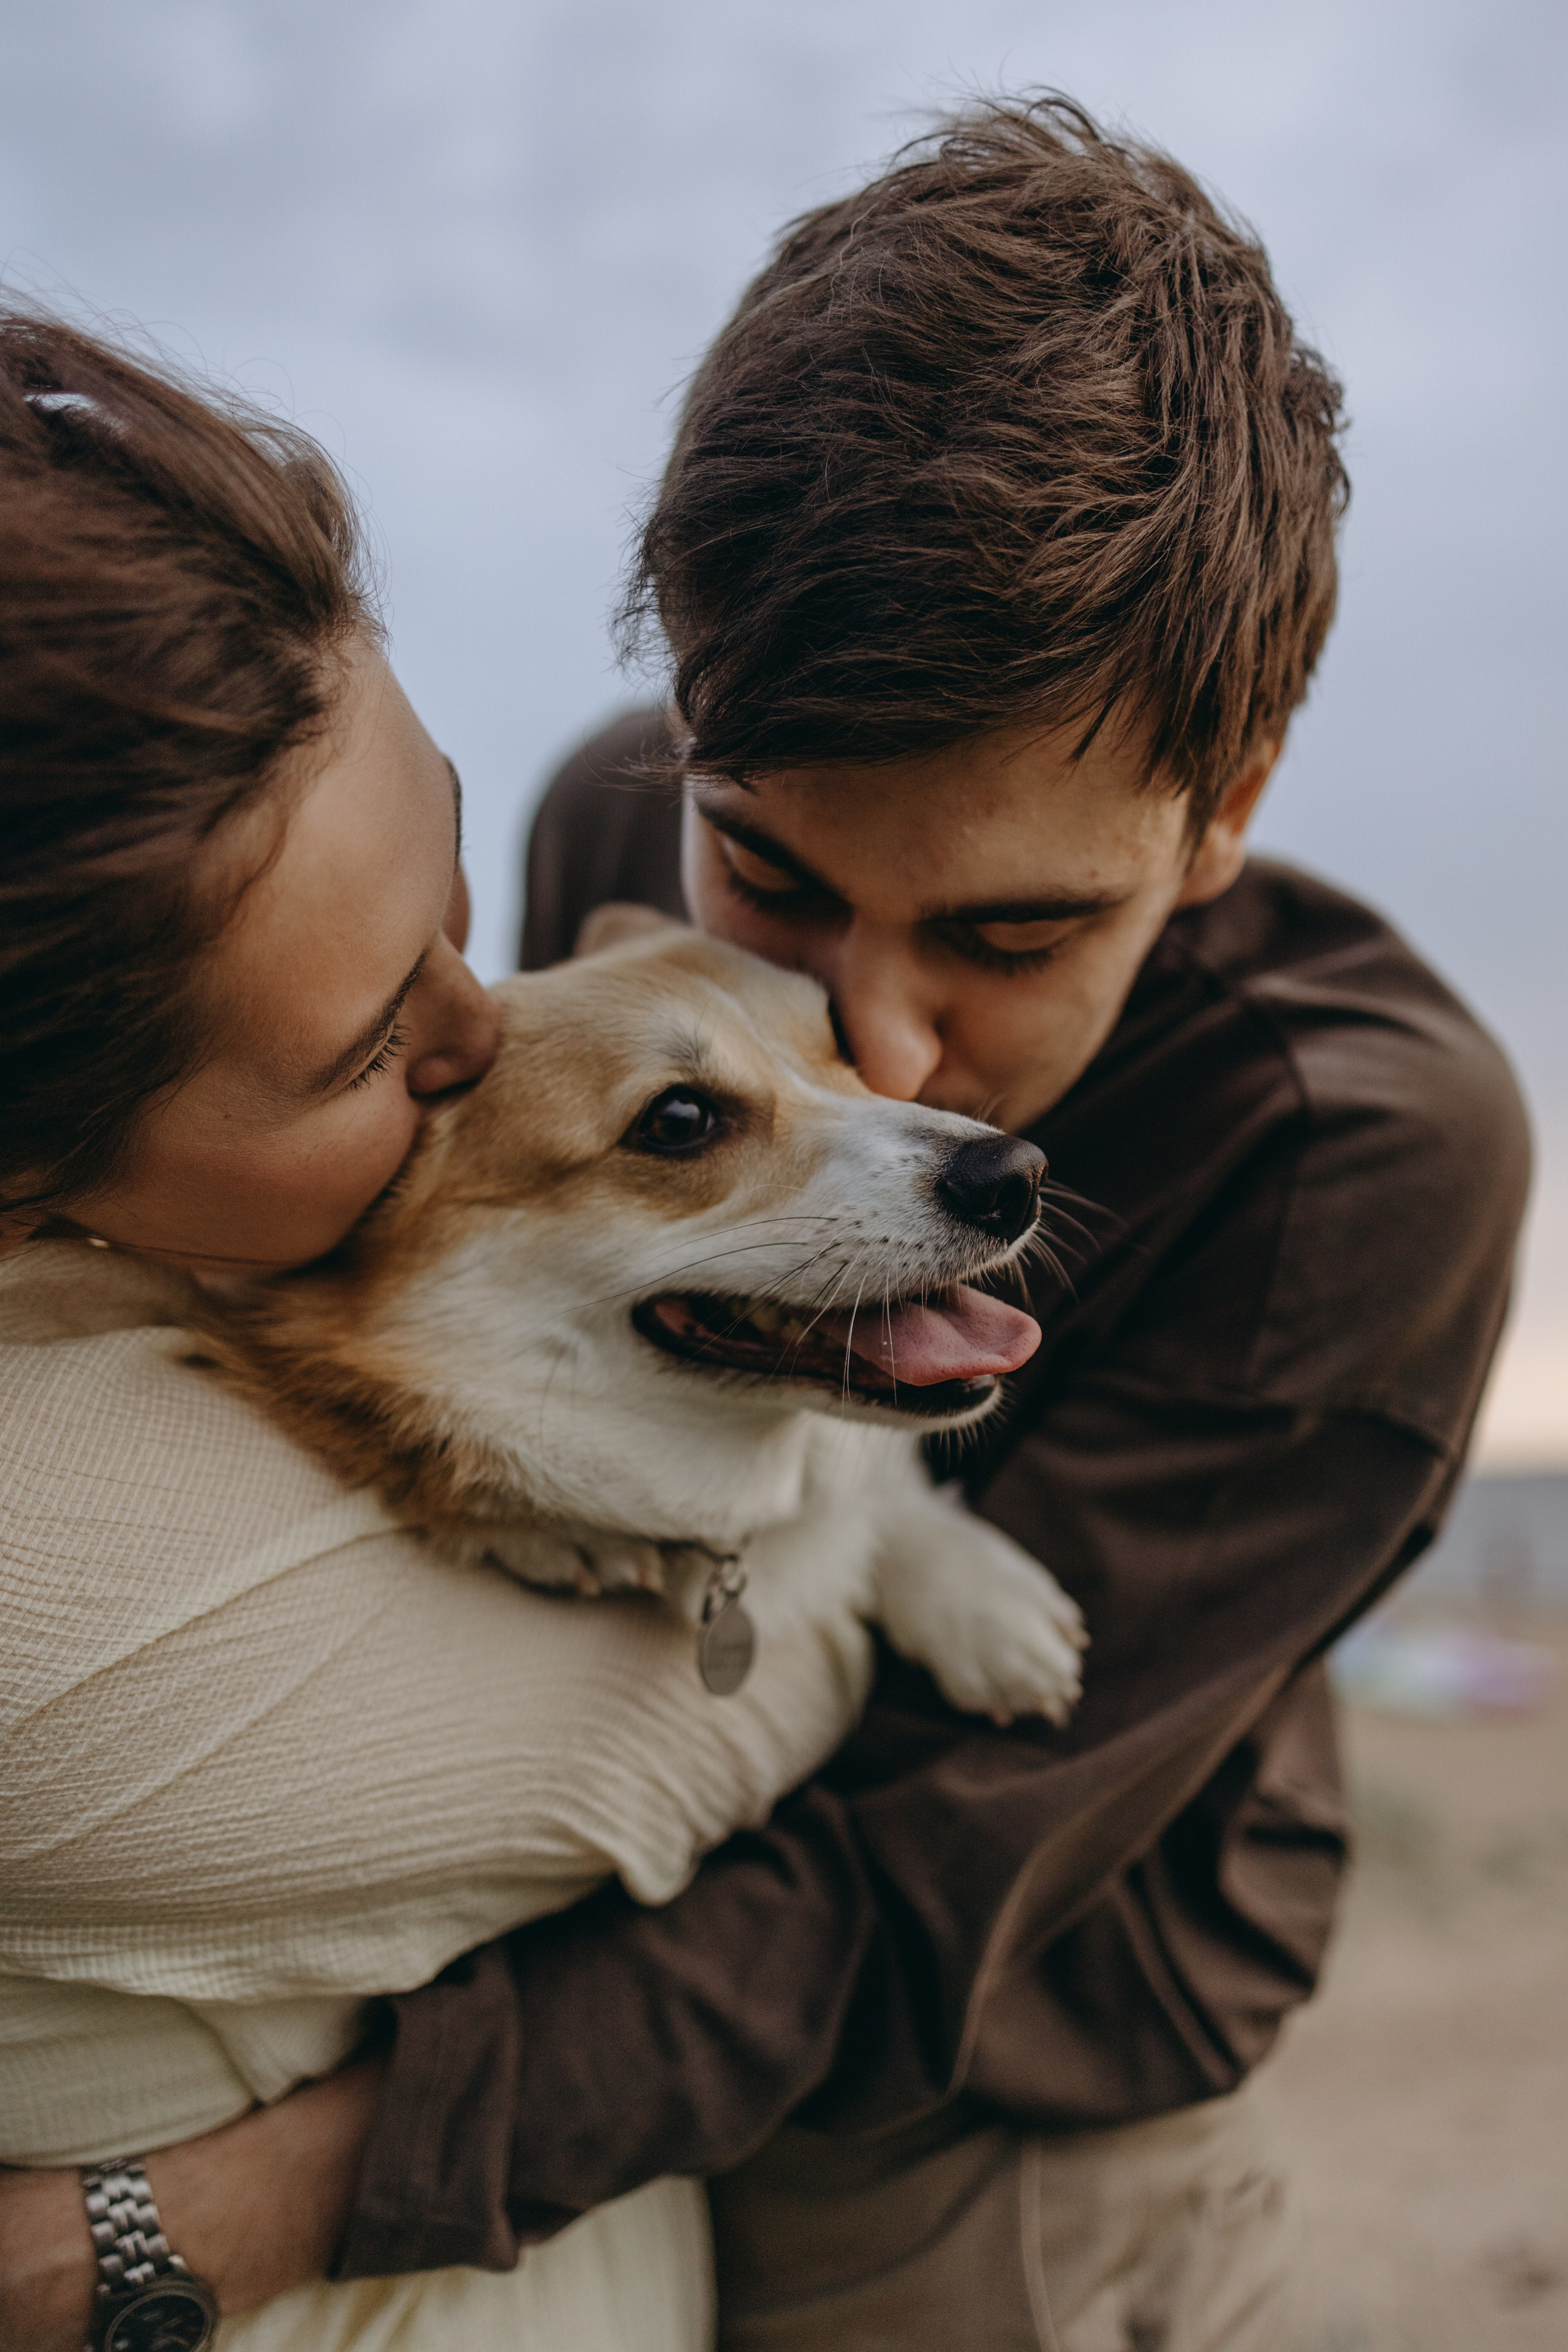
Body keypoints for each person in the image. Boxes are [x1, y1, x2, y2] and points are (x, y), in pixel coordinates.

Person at [2, 96, 1529, 2352]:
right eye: (779, 890)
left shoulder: (1368, 1150)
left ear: (1230, 808)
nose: (888, 1061)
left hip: (983, 2118)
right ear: (697, 728)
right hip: (557, 2032)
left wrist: (216, 2213)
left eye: (1011, 936)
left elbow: (923, 1882)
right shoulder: (615, 814)